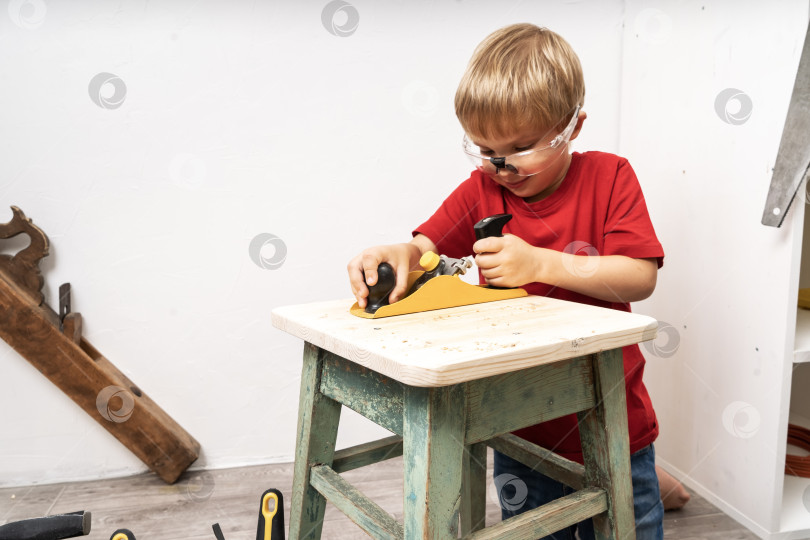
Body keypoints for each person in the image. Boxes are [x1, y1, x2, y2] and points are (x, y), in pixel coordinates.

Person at [347, 23, 673, 539]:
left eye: (520, 149)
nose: (500, 166)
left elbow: (639, 277)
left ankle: (658, 484)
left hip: (608, 414)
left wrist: (542, 264)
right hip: (517, 422)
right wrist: (400, 252)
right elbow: (426, 248)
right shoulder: (481, 188)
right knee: (531, 527)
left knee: (633, 520)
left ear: (573, 128)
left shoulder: (611, 177)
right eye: (484, 149)